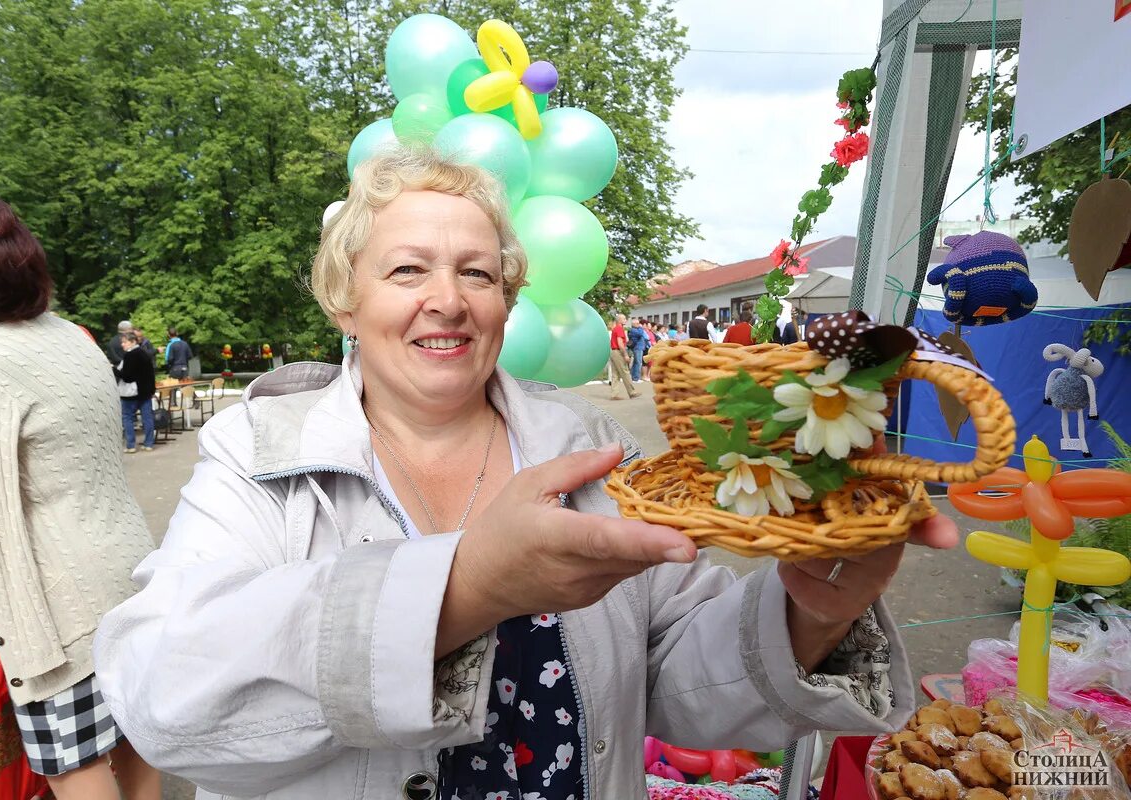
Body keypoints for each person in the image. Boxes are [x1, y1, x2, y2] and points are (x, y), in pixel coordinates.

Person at [92, 150, 956, 800]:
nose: (449, 298)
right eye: (407, 270)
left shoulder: (581, 439)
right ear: (342, 299)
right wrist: (463, 587)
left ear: (507, 300)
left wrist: (811, 613)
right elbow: (164, 695)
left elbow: (674, 679)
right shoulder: (259, 450)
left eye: (478, 272)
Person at [0, 190, 160, 799]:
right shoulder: (69, 337)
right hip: (129, 573)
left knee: (77, 770)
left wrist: (25, 654)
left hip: (54, 608)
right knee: (136, 748)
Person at [113, 331, 158, 453]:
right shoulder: (144, 353)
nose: (122, 345)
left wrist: (113, 369)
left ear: (133, 342)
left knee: (127, 418)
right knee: (147, 418)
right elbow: (151, 374)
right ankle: (148, 443)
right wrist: (152, 390)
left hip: (131, 394)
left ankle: (131, 445)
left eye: (125, 342)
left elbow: (127, 377)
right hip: (146, 392)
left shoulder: (130, 356)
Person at [607, 312, 638, 399]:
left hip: (613, 351)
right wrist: (625, 355)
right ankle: (632, 392)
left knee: (615, 374)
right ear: (620, 320)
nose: (626, 320)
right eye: (624, 319)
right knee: (625, 371)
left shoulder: (615, 329)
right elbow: (620, 343)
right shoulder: (620, 329)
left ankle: (614, 394)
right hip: (618, 352)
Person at [627, 317, 649, 382]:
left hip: (639, 347)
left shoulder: (636, 329)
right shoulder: (633, 330)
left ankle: (633, 376)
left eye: (638, 323)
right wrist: (641, 327)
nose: (638, 324)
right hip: (637, 348)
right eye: (637, 323)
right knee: (638, 363)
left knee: (636, 362)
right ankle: (636, 377)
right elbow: (641, 333)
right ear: (633, 324)